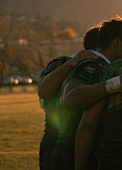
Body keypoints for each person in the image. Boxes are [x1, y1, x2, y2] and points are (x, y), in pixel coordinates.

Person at [50, 16, 122, 170]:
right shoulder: (92, 65)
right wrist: (117, 84)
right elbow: (71, 98)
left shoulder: (104, 66)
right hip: (72, 154)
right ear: (117, 43)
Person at [37, 25, 100, 170]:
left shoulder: (103, 66)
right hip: (57, 141)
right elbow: (44, 91)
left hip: (84, 142)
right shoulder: (63, 62)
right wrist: (71, 63)